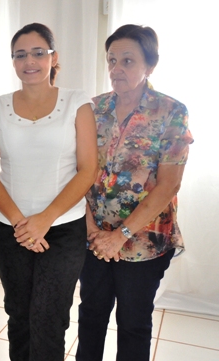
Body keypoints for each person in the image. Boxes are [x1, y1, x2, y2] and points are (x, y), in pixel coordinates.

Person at [0, 23, 98, 361]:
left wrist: (44, 219)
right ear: (13, 61)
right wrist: (22, 224)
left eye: (37, 53)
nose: (28, 61)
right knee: (19, 314)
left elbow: (88, 169)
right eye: (20, 55)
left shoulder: (77, 102)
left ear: (53, 57)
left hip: (63, 228)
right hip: (9, 228)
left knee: (49, 317)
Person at [76, 25, 193, 361]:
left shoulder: (171, 112)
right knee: (91, 316)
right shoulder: (93, 109)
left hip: (144, 242)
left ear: (150, 66)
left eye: (127, 60)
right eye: (112, 60)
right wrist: (91, 228)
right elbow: (78, 170)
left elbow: (169, 184)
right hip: (94, 237)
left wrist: (120, 236)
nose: (116, 68)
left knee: (133, 323)